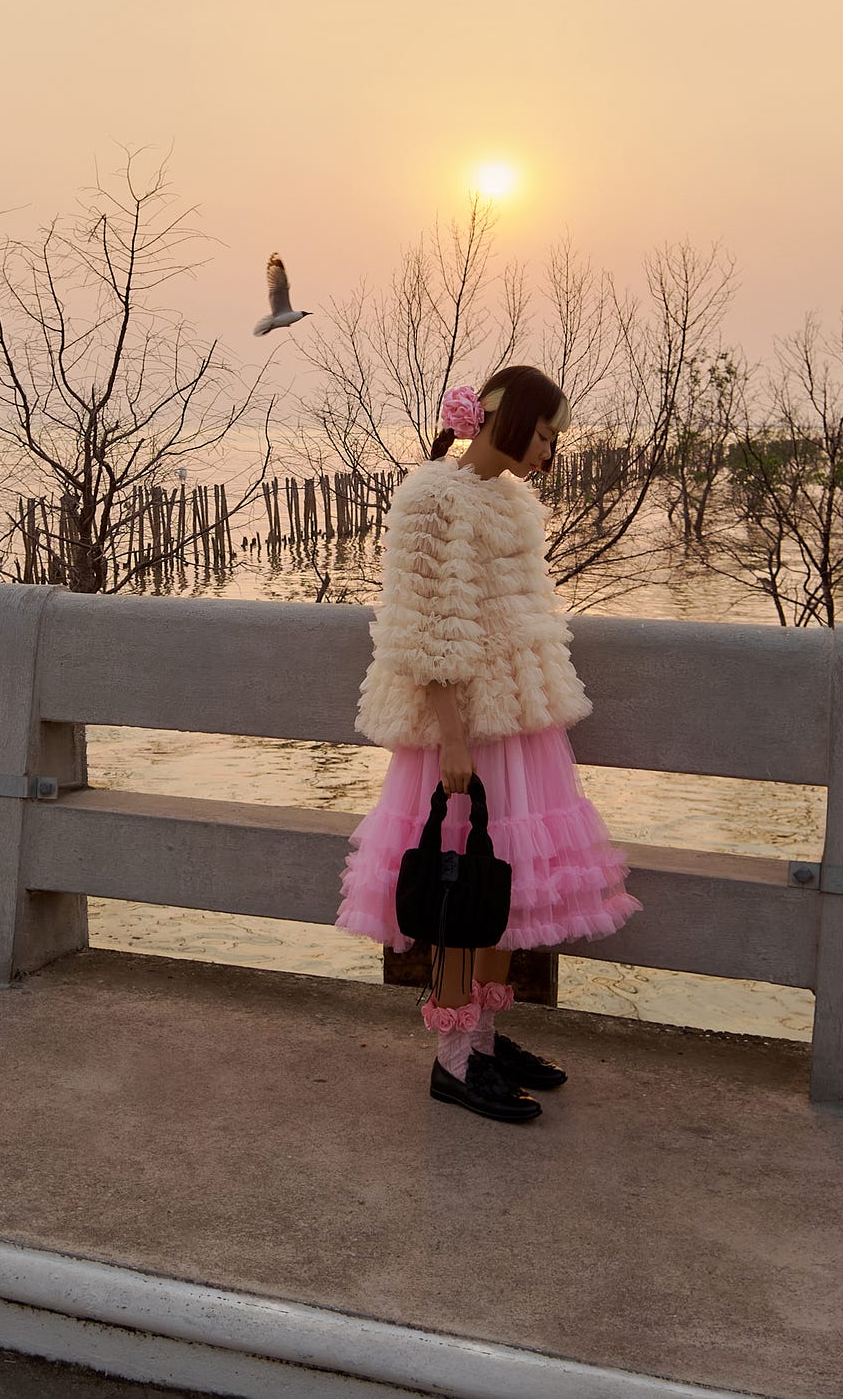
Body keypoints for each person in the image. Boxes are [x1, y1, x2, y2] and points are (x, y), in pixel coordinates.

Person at [334, 365, 642, 1123]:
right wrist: (451, 740)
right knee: (460, 884)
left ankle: (483, 1037)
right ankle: (452, 1057)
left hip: (521, 719)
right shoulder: (431, 497)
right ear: (506, 418)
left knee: (509, 885)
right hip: (465, 726)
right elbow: (422, 626)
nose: (549, 452)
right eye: (543, 434)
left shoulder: (510, 499)